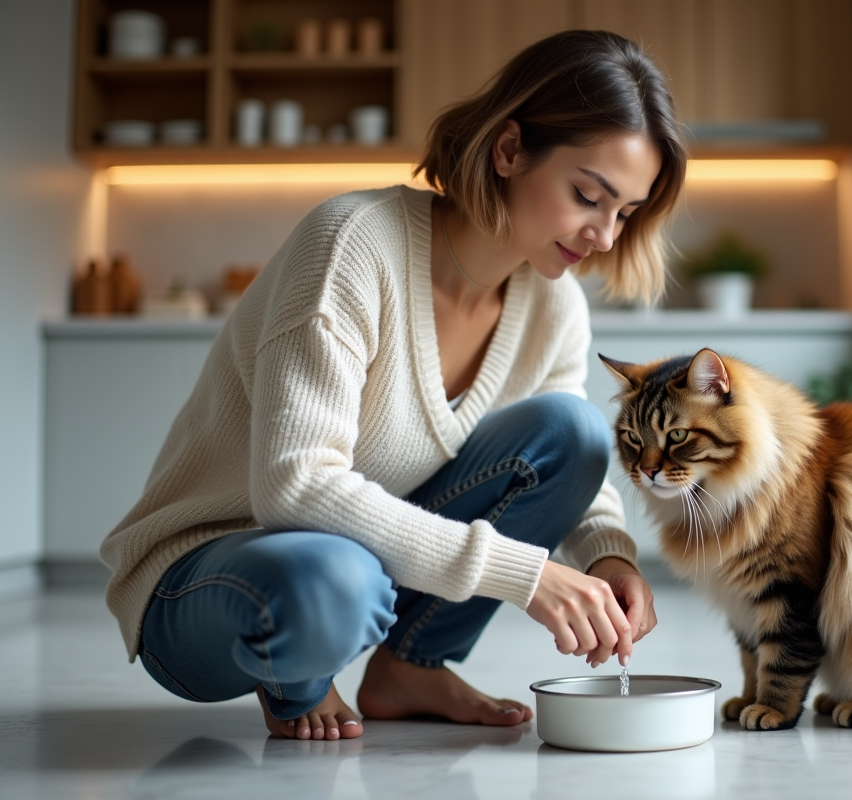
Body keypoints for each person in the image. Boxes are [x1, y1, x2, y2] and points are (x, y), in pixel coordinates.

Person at [99, 29, 688, 741]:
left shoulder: (553, 303)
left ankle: (413, 663)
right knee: (332, 577)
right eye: (588, 196)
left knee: (575, 429)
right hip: (207, 585)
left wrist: (608, 553)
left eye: (625, 213)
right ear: (508, 151)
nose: (605, 236)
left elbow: (572, 464)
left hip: (355, 568)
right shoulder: (352, 244)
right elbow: (293, 487)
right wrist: (524, 575)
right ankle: (295, 675)